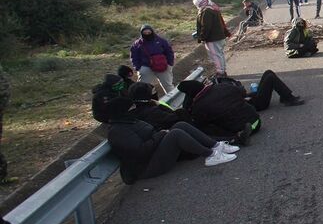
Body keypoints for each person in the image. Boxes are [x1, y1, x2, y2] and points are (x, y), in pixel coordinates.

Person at [108, 107, 238, 183]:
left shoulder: (131, 122)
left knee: (180, 125)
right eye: (130, 108)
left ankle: (215, 145)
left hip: (153, 155)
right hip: (146, 168)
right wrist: (159, 136)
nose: (133, 109)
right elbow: (141, 152)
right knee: (175, 134)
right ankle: (211, 155)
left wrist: (159, 134)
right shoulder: (119, 131)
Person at [179, 70, 303, 144]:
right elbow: (241, 92)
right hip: (254, 112)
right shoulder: (222, 87)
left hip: (244, 115)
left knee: (268, 74)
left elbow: (200, 123)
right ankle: (288, 97)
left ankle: (286, 97)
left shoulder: (199, 107)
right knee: (269, 75)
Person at [130, 24, 175, 95]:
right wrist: (138, 68)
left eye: (149, 32)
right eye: (145, 33)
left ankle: (174, 100)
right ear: (142, 33)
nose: (147, 34)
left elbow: (169, 52)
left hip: (162, 66)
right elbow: (134, 56)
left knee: (168, 85)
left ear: (152, 32)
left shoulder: (161, 41)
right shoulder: (137, 44)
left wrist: (170, 64)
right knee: (142, 87)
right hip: (146, 67)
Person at [193, 0, 230, 76]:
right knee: (220, 54)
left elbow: (206, 26)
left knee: (215, 56)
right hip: (219, 36)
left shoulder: (206, 11)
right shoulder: (213, 8)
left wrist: (202, 37)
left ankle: (220, 72)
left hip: (212, 38)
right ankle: (223, 70)